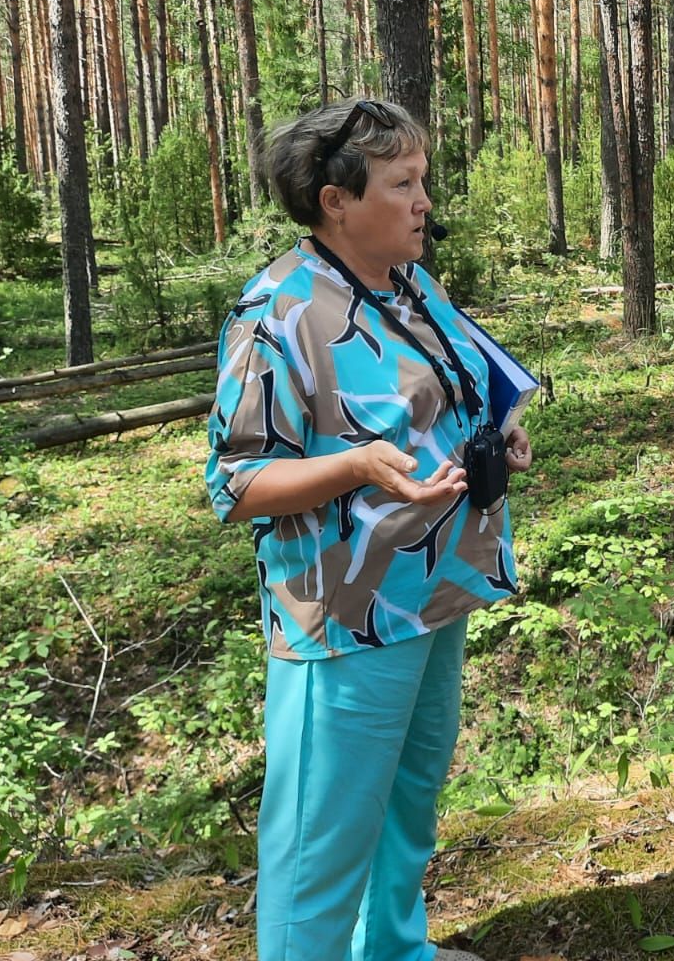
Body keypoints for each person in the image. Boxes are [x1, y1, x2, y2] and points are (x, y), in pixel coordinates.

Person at [205, 97, 532, 961]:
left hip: (435, 589)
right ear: (335, 201)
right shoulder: (278, 313)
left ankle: (392, 948)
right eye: (404, 183)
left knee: (408, 798)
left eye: (423, 180)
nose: (426, 201)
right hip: (346, 615)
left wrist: (496, 431)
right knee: (319, 842)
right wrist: (355, 467)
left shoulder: (412, 283)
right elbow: (236, 483)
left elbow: (457, 387)